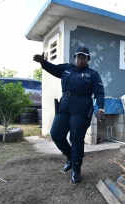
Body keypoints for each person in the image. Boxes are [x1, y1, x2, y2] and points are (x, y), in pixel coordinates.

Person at [33, 46, 105, 184]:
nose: (80, 59)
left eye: (83, 57)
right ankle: (70, 157)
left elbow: (99, 92)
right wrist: (43, 62)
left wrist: (100, 108)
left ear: (88, 59)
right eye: (78, 56)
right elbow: (53, 69)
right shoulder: (67, 68)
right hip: (65, 106)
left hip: (82, 108)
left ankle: (76, 169)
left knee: (76, 138)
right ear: (75, 58)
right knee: (55, 133)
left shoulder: (93, 74)